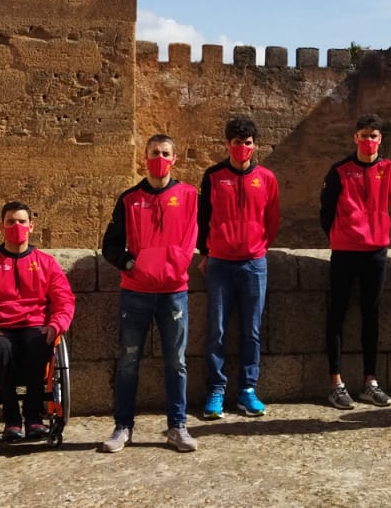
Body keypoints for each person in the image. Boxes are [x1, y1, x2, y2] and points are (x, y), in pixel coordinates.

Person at [100, 134, 200, 453]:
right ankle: (123, 427)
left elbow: (190, 237)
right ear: (145, 158)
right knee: (128, 360)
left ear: (175, 158)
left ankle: (177, 426)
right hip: (136, 291)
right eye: (154, 152)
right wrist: (130, 263)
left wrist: (174, 266)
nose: (160, 157)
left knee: (177, 362)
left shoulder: (187, 195)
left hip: (174, 291)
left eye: (165, 153)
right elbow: (111, 244)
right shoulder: (129, 199)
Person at [0, 201, 75, 442]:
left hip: (34, 325)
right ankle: (10, 418)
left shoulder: (46, 263)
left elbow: (64, 300)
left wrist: (56, 325)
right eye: (11, 221)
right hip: (0, 329)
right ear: (2, 226)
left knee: (40, 342)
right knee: (0, 348)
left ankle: (33, 415)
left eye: (22, 222)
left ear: (31, 227)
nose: (16, 226)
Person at [197, 116, 281, 419]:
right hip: (219, 262)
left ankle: (247, 390)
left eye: (247, 143)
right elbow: (202, 216)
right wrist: (205, 251)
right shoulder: (213, 176)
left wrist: (258, 247)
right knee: (216, 330)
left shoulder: (267, 179)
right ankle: (216, 391)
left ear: (254, 145)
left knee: (252, 331)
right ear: (227, 144)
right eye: (236, 142)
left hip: (254, 262)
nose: (242, 147)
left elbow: (272, 219)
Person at [320, 113, 391, 409]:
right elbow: (326, 212)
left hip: (376, 251)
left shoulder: (388, 168)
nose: (368, 140)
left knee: (371, 316)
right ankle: (336, 383)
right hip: (345, 251)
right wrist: (343, 234)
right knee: (337, 315)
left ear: (381, 139)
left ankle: (370, 381)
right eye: (364, 135)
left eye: (374, 136)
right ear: (355, 137)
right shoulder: (339, 171)